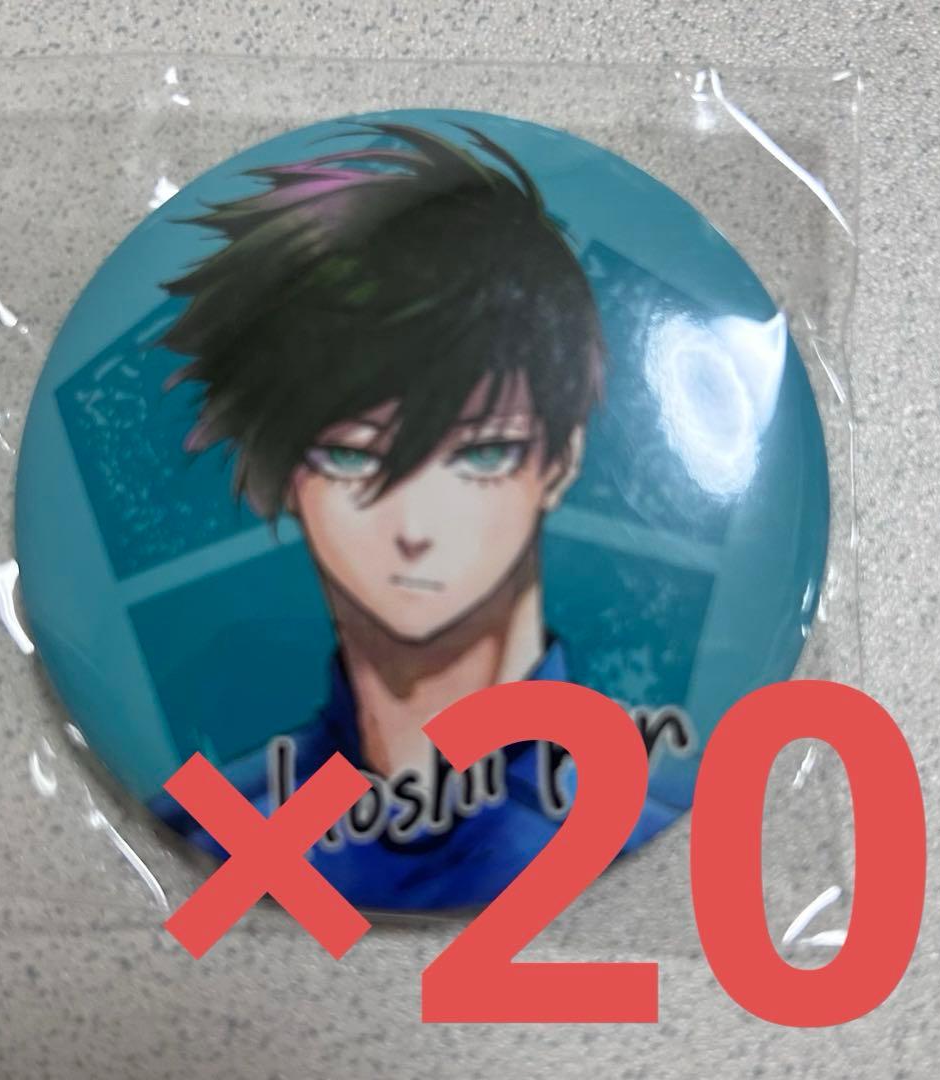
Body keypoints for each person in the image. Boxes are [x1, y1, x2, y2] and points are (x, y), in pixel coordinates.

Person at [148, 122, 686, 908]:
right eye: (350, 457)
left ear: (562, 459)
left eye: (483, 453)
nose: (414, 528)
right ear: (284, 470)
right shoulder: (212, 834)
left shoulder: (654, 839)